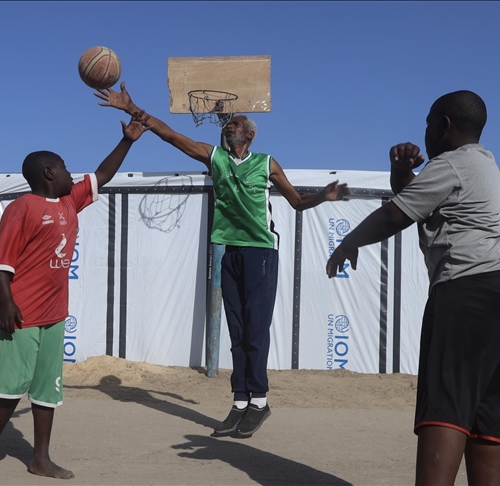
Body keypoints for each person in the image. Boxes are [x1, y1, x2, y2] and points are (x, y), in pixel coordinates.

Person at [96, 82, 350, 439]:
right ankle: (240, 402)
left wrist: (323, 196)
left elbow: (296, 202)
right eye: (227, 125)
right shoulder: (214, 158)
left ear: (249, 134)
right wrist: (132, 108)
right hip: (229, 251)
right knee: (237, 331)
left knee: (255, 329)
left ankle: (260, 402)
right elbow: (169, 135)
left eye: (235, 124)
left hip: (261, 251)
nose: (228, 126)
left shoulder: (266, 163)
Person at [325, 90, 500, 485]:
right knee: (486, 416)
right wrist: (401, 171)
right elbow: (416, 198)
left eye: (427, 122)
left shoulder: (451, 164)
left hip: (471, 288)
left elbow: (395, 214)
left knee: (448, 406)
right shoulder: (482, 163)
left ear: (444, 126)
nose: (423, 131)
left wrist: (349, 241)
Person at [0, 112, 147, 483]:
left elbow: (102, 175)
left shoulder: (69, 202)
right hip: (21, 313)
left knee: (47, 389)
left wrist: (128, 140)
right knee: (10, 387)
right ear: (48, 173)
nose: (72, 174)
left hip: (54, 314)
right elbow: (1, 263)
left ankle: (41, 459)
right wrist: (7, 304)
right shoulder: (21, 209)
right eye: (65, 168)